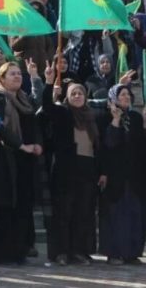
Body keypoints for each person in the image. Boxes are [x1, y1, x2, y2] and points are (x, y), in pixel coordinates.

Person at [0, 60, 44, 265]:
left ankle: (19, 250)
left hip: (25, 160)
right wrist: (20, 145)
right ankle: (2, 254)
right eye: (12, 74)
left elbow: (36, 106)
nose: (17, 76)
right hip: (6, 158)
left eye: (19, 73)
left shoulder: (23, 98)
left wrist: (35, 77)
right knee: (5, 206)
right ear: (1, 79)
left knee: (22, 206)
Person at [43, 64, 100, 265]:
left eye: (80, 93)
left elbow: (97, 147)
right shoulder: (63, 113)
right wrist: (48, 83)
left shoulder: (91, 117)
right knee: (63, 213)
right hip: (66, 170)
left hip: (87, 170)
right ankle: (61, 252)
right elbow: (47, 107)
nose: (77, 96)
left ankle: (78, 251)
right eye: (73, 94)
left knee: (82, 213)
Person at [99, 84, 146, 265]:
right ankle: (114, 253)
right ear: (114, 98)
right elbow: (108, 144)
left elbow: (143, 146)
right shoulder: (105, 117)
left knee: (134, 214)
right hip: (115, 175)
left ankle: (131, 253)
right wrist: (115, 120)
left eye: (128, 94)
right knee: (115, 215)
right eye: (122, 94)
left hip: (134, 175)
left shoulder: (135, 117)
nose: (126, 97)